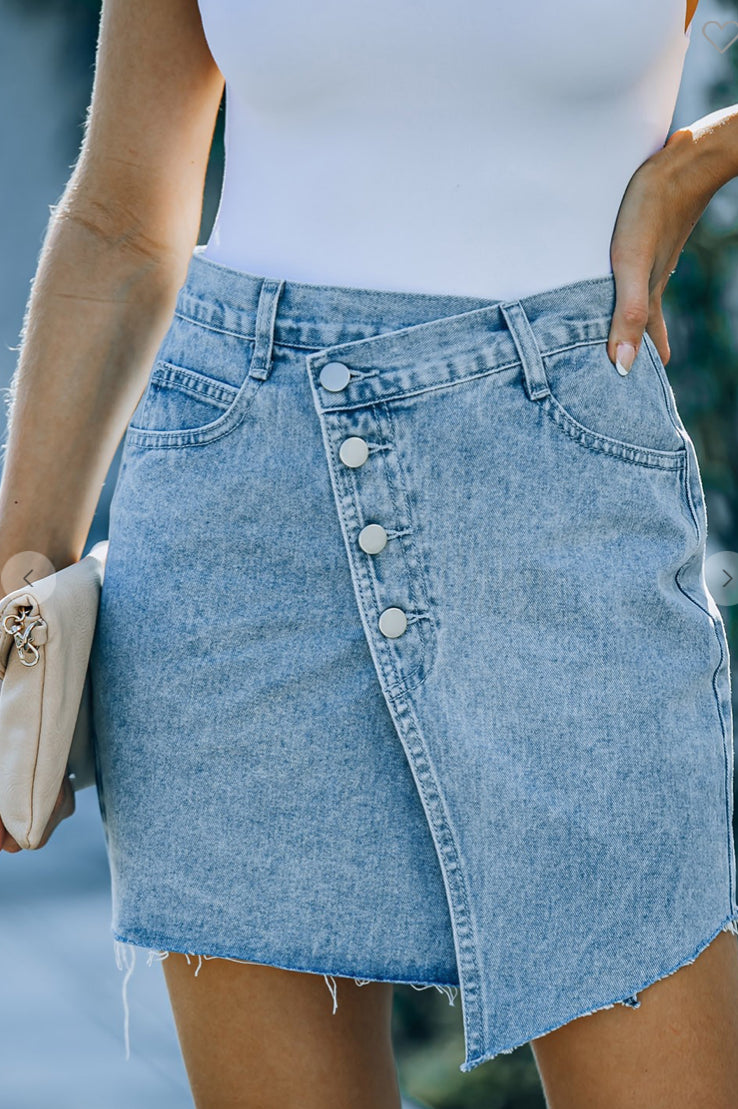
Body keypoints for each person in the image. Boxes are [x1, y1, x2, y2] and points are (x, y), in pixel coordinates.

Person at [2, 1, 738, 1106]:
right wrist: (20, 590)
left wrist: (709, 156)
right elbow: (121, 220)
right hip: (237, 516)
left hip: (566, 498)